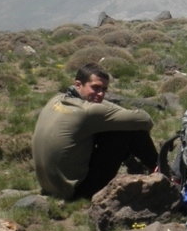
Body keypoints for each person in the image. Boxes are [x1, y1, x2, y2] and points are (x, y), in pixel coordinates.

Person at [32, 63, 158, 200]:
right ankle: (161, 170)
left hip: (49, 187)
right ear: (78, 84)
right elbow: (145, 120)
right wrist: (114, 113)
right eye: (95, 88)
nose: (101, 94)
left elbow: (98, 109)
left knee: (114, 124)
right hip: (76, 191)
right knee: (126, 130)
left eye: (104, 89)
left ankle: (138, 167)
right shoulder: (88, 113)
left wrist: (108, 112)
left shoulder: (55, 99)